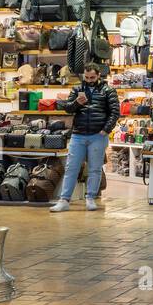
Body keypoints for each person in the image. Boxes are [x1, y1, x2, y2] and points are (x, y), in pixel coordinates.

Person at [50, 64, 120, 212]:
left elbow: (115, 112)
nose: (89, 80)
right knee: (71, 168)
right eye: (87, 77)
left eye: (92, 77)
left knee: (94, 169)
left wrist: (105, 130)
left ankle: (90, 198)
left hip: (98, 135)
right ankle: (64, 200)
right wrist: (76, 103)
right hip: (78, 134)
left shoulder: (108, 90)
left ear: (99, 75)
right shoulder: (77, 89)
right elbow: (68, 108)